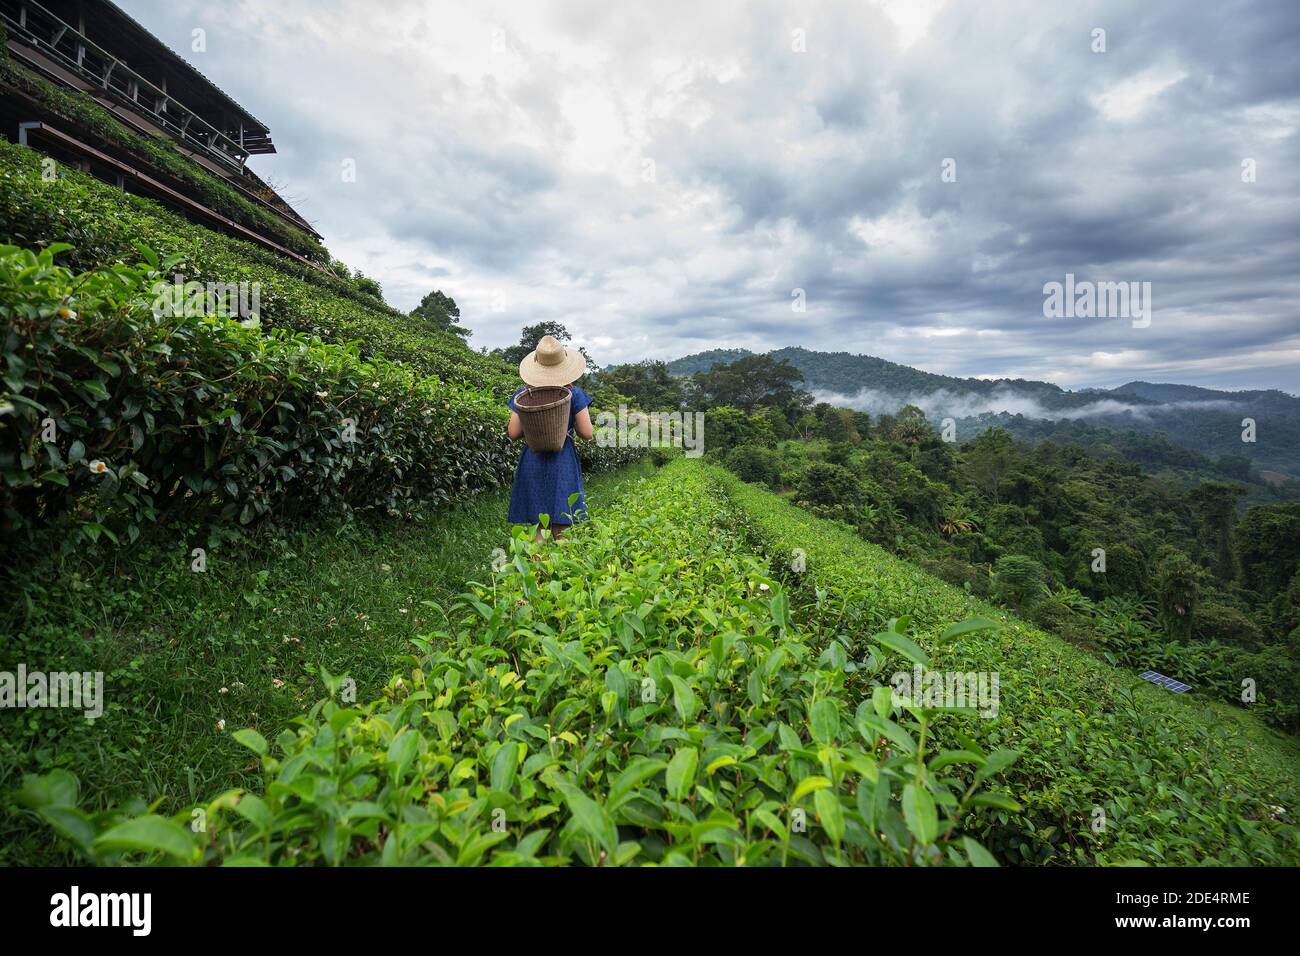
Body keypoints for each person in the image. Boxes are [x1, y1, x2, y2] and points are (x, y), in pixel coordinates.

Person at [506, 335, 595, 539]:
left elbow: (513, 433)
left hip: (533, 460)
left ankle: (537, 570)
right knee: (563, 522)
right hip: (562, 461)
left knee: (538, 526)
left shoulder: (524, 394)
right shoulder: (574, 393)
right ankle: (561, 569)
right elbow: (587, 433)